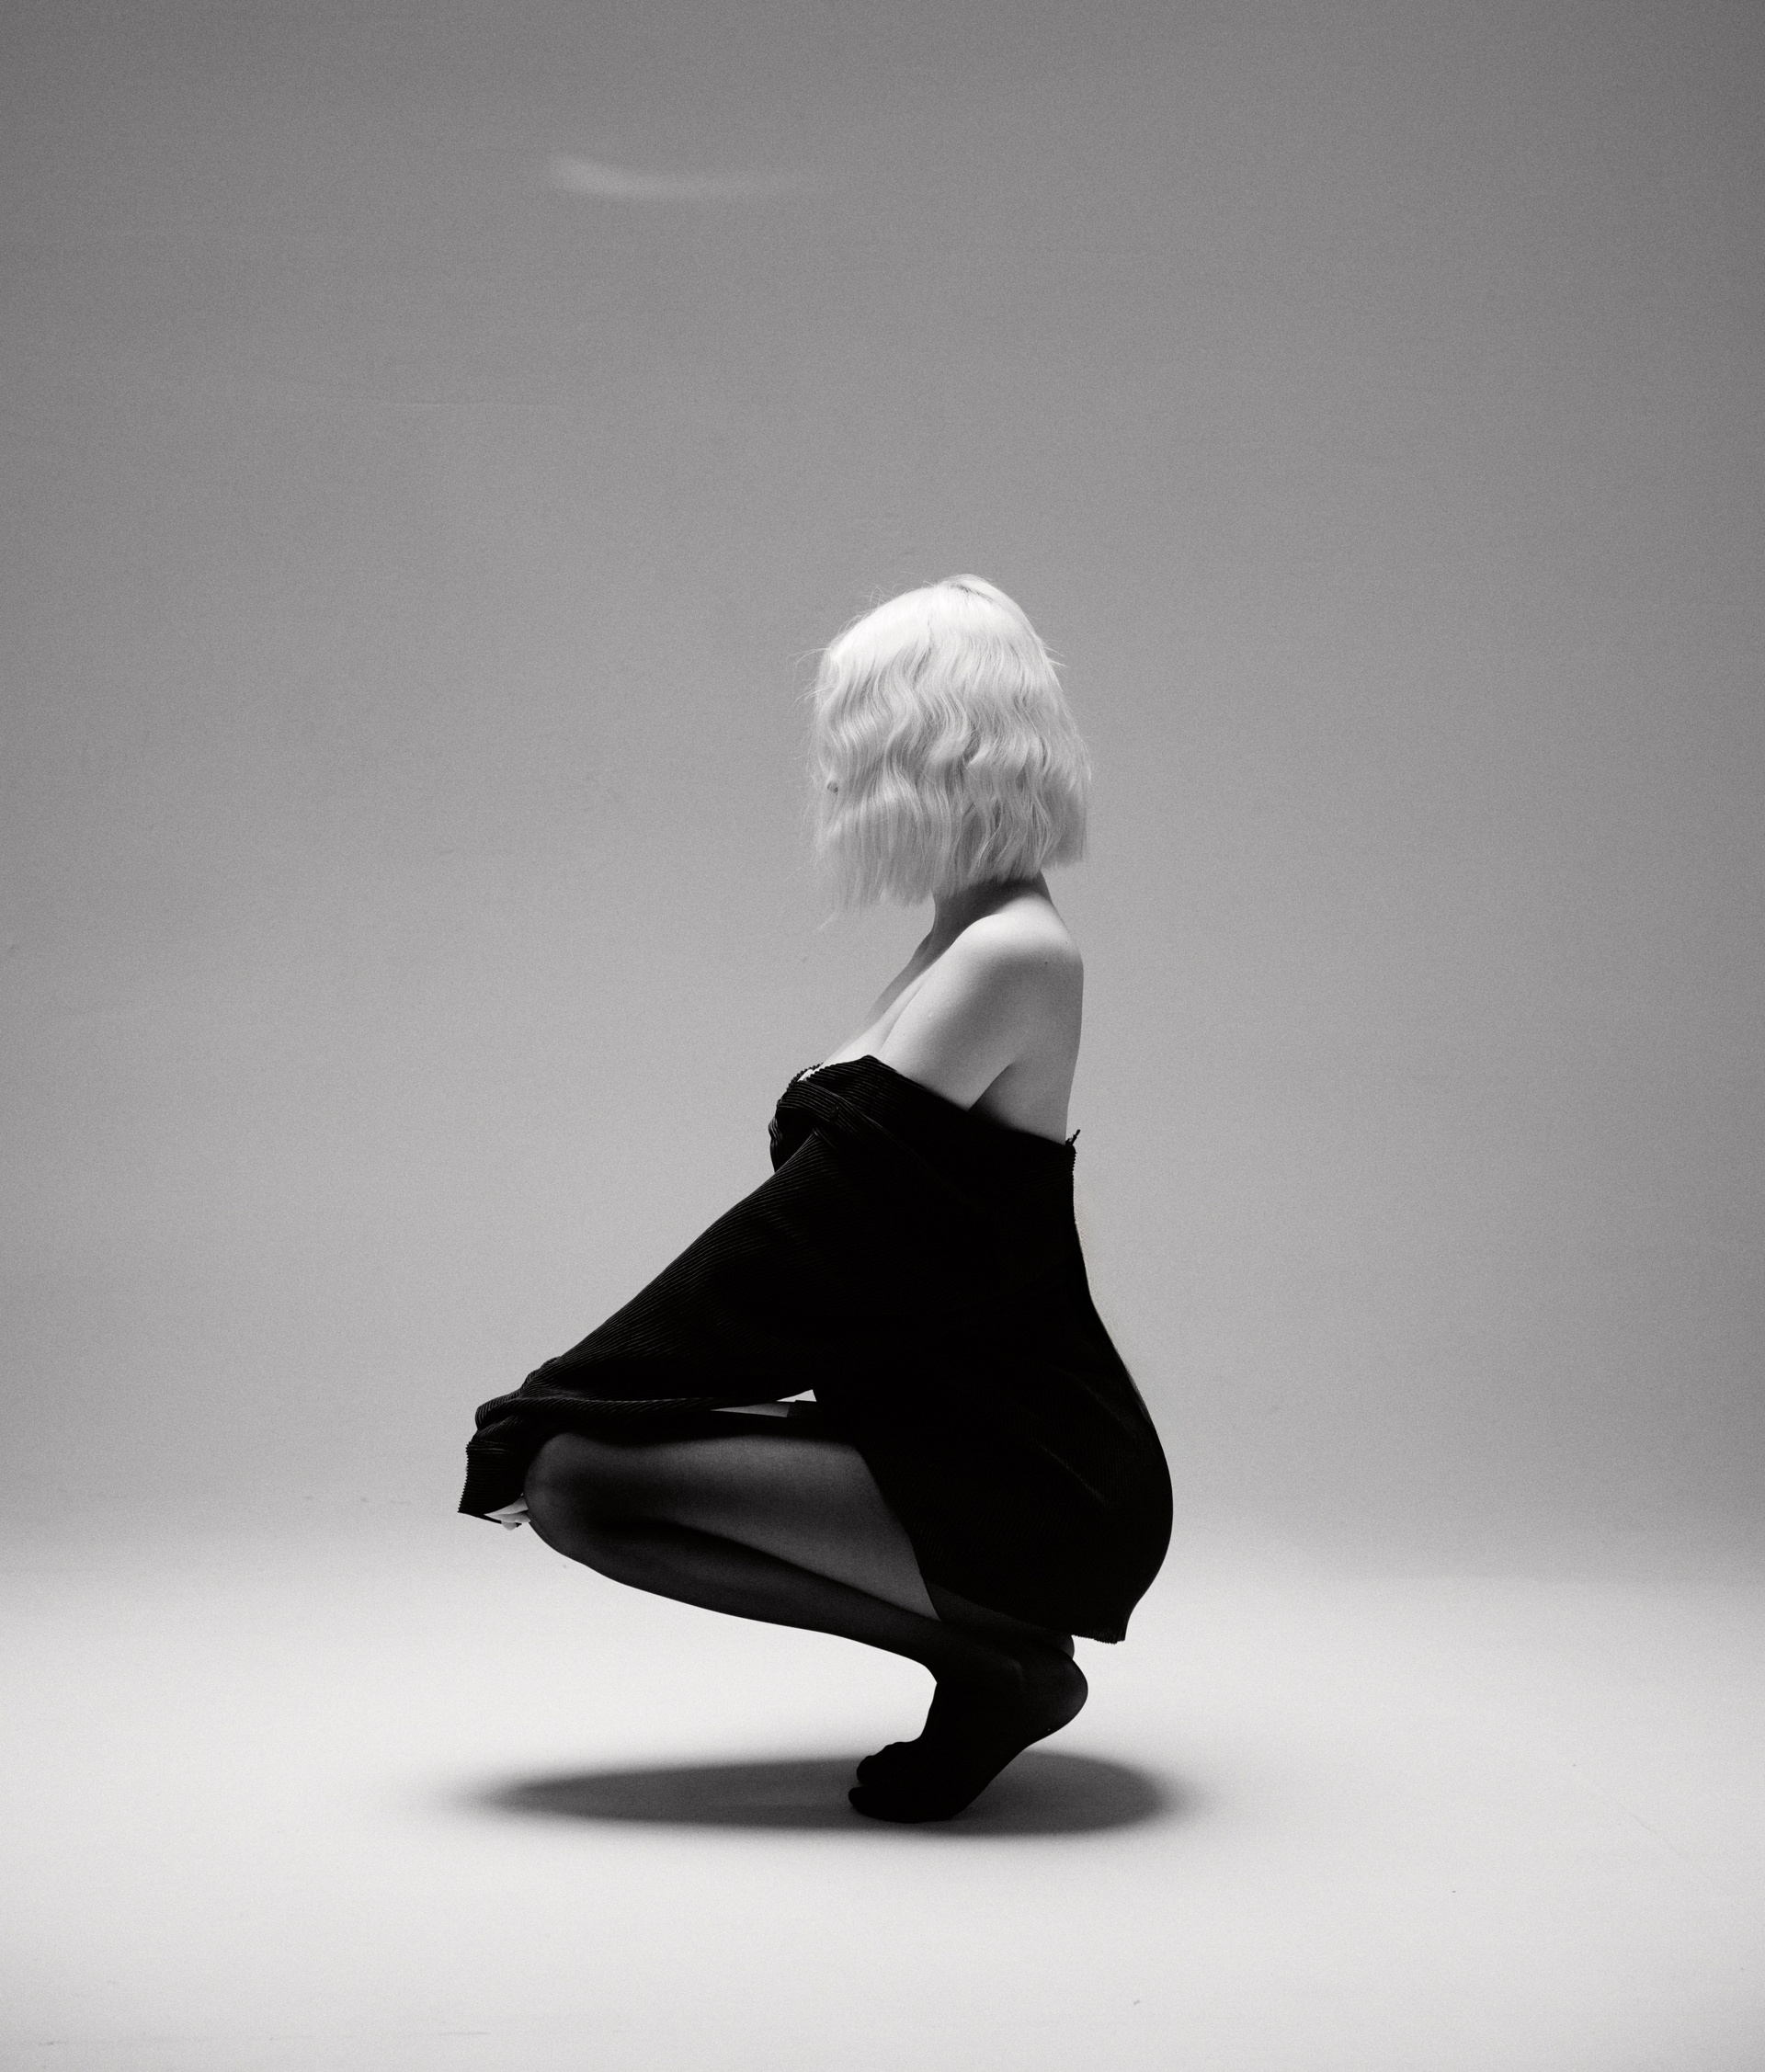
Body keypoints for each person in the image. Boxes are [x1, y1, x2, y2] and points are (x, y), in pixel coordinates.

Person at [459, 575, 1172, 1822]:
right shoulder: (961, 945)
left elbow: (807, 1240)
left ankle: (997, 1667)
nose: (831, 775)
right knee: (579, 1466)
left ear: (933, 750)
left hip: (1032, 1472)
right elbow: (854, 1255)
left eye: (853, 739)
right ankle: (993, 1661)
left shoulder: (1013, 954)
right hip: (946, 1432)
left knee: (575, 1477)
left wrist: (555, 1396)